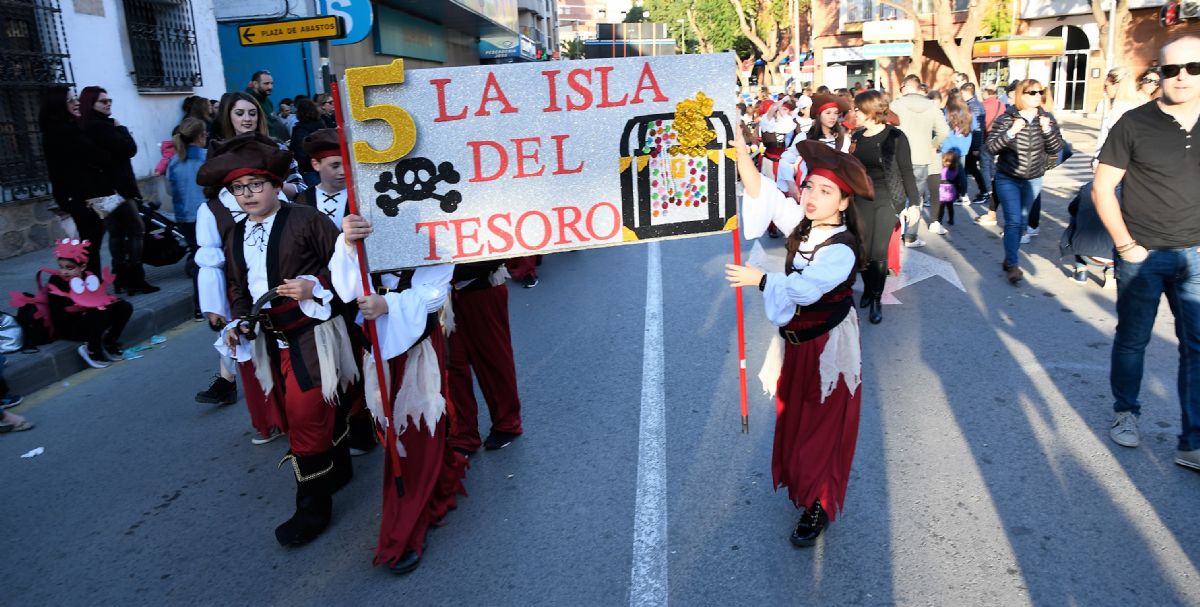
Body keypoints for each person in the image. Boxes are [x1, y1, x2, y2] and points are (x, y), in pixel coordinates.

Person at [200, 132, 358, 546]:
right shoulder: (234, 234)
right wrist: (238, 322)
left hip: (314, 334)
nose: (247, 194)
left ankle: (312, 509)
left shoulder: (307, 219)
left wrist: (314, 286)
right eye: (238, 188)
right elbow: (239, 288)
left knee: (306, 416)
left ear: (275, 185)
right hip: (270, 341)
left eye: (256, 185)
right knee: (302, 413)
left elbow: (349, 267)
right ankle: (338, 469)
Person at [725, 132, 870, 548]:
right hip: (796, 343)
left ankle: (820, 504)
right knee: (798, 417)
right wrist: (739, 148)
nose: (811, 195)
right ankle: (804, 487)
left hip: (829, 347)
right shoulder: (804, 229)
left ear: (843, 203)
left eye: (826, 191)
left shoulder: (841, 248)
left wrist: (761, 279)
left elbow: (806, 289)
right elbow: (766, 194)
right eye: (809, 185)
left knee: (823, 426)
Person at [334, 213, 468, 573]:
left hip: (417, 348)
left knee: (414, 431)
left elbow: (435, 291)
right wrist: (347, 241)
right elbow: (345, 287)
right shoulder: (366, 221)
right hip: (374, 345)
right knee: (388, 429)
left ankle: (404, 532)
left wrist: (388, 305)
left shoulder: (433, 228)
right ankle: (438, 479)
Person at [1093, 36, 1200, 471]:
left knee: (1196, 346)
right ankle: (1126, 414)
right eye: (1172, 69)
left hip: (1196, 254)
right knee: (1133, 339)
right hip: (1142, 252)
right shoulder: (1133, 123)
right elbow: (1102, 188)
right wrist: (1125, 246)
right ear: (1158, 73)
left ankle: (1192, 442)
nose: (1182, 77)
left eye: (1193, 68)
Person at [848, 90, 921, 324]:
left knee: (878, 252)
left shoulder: (895, 137)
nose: (854, 113)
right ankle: (869, 289)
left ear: (870, 110)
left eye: (858, 109)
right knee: (864, 251)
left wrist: (915, 204)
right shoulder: (857, 137)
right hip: (860, 199)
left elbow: (907, 171)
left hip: (888, 199)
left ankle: (877, 297)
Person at [78, 86, 158, 295]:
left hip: (103, 190)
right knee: (136, 230)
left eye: (109, 100)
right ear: (91, 104)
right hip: (117, 190)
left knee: (117, 233)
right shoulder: (102, 127)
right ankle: (134, 278)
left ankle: (120, 277)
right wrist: (121, 129)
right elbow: (129, 149)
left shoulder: (87, 126)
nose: (108, 104)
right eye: (103, 101)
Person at [985, 79, 1065, 285]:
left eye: (1040, 92)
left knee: (1021, 222)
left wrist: (1047, 130)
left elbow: (1056, 147)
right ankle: (1013, 264)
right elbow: (992, 147)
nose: (1038, 95)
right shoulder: (1007, 118)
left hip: (1033, 178)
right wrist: (1012, 131)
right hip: (1008, 177)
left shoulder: (1046, 119)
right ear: (1021, 95)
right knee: (1013, 221)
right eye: (1032, 92)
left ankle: (1009, 256)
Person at [39, 86, 108, 276]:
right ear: (59, 105)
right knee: (88, 245)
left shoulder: (69, 128)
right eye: (71, 100)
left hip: (89, 196)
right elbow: (93, 157)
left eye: (76, 98)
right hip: (80, 198)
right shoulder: (61, 132)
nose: (77, 103)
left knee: (92, 242)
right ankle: (89, 286)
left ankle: (92, 284)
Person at [46, 238, 133, 369]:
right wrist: (83, 307)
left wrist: (110, 301)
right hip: (69, 326)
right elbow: (60, 313)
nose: (64, 271)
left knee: (124, 307)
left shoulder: (89, 278)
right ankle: (92, 350)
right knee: (97, 312)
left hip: (90, 320)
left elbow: (100, 297)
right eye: (61, 267)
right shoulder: (56, 281)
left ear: (83, 267)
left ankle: (109, 343)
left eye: (69, 268)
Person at [891, 75, 950, 248]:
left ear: (905, 87)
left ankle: (893, 232)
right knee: (916, 197)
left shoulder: (896, 105)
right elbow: (944, 131)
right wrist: (933, 145)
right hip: (921, 157)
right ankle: (911, 236)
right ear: (918, 88)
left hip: (897, 157)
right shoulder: (932, 107)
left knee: (895, 196)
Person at [213, 91, 306, 200]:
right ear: (228, 116)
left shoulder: (278, 148)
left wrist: (272, 186)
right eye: (239, 113)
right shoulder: (220, 152)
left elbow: (301, 188)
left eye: (252, 113)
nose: (247, 118)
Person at [167, 118, 208, 319]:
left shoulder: (174, 161)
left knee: (198, 259)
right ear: (200, 136)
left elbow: (169, 190)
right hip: (205, 216)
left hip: (184, 218)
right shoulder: (205, 158)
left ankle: (199, 306)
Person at [931, 95, 972, 235]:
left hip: (948, 148)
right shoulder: (968, 115)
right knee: (959, 174)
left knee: (944, 174)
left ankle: (940, 213)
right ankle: (961, 194)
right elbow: (973, 130)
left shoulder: (949, 114)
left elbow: (942, 130)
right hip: (961, 149)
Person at [1094, 67, 1143, 170]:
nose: (1104, 89)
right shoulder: (1132, 105)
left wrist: (1098, 161)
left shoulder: (1120, 109)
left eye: (1106, 85)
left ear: (1116, 86)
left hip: (1114, 164)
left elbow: (1111, 140)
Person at [959, 83, 988, 204]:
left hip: (973, 143)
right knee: (971, 168)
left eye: (962, 93)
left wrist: (975, 146)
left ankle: (983, 192)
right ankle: (983, 191)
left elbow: (977, 129)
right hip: (973, 142)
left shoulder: (973, 107)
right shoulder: (975, 104)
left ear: (966, 92)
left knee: (971, 168)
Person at [289, 99, 327, 188]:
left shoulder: (300, 130)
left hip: (309, 170)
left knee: (313, 196)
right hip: (323, 166)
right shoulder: (321, 124)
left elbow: (301, 153)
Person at [246, 70, 289, 141]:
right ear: (255, 84)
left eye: (271, 83)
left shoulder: (267, 101)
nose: (270, 87)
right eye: (266, 84)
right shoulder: (248, 102)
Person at [936, 151, 964, 228]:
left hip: (942, 189)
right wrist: (958, 192)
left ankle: (939, 220)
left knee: (941, 206)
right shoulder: (955, 170)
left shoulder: (941, 169)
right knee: (950, 206)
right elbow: (958, 181)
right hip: (951, 189)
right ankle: (951, 219)